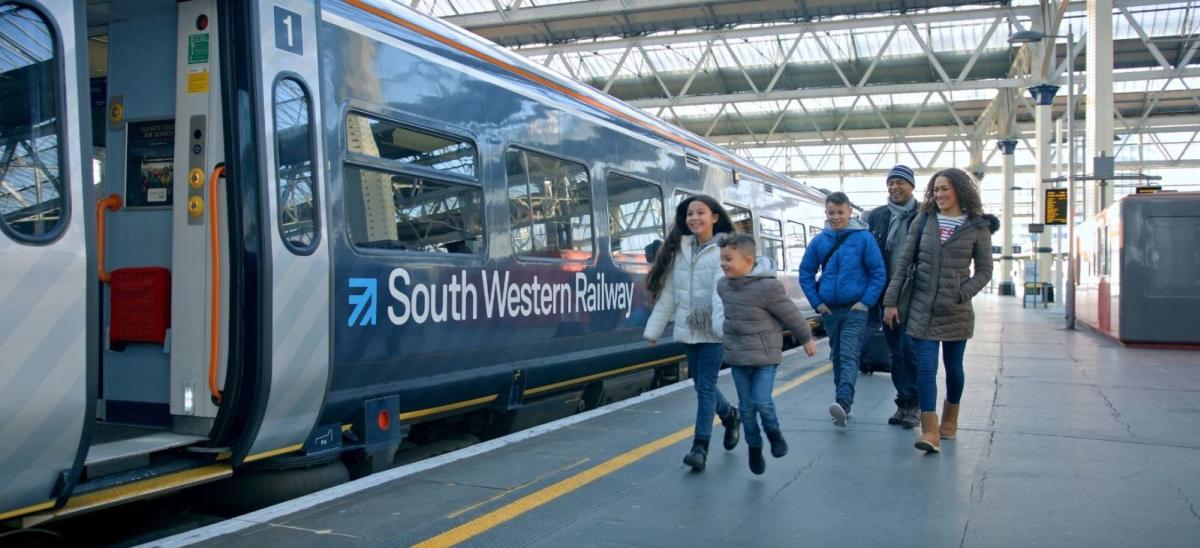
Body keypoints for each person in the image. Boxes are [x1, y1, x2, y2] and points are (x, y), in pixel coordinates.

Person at [882, 168, 998, 453]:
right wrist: (890, 301)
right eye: (935, 190)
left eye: (945, 189)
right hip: (922, 308)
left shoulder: (977, 227)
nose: (940, 194)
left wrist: (962, 292)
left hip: (956, 309)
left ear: (960, 190)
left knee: (954, 369)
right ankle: (930, 431)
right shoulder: (923, 221)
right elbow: (904, 263)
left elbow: (984, 271)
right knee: (925, 368)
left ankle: (950, 421)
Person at [644, 195, 741, 471]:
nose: (694, 218)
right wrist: (653, 331)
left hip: (713, 328)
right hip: (689, 328)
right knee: (700, 383)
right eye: (689, 214)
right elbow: (671, 294)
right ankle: (730, 415)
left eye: (700, 212)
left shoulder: (725, 248)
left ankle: (700, 446)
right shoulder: (682, 249)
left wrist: (723, 327)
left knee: (705, 386)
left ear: (714, 217)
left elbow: (721, 293)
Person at [716, 234, 817, 475]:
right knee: (747, 409)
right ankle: (754, 447)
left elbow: (791, 314)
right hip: (739, 358)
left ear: (748, 261)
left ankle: (774, 433)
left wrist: (805, 338)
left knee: (762, 401)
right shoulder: (723, 286)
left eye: (728, 259)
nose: (723, 264)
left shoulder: (768, 287)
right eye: (722, 259)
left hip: (764, 357)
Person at [799, 192, 886, 428]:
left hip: (855, 309)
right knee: (836, 356)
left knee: (848, 354)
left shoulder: (864, 239)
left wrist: (865, 302)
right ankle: (842, 403)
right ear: (826, 213)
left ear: (850, 212)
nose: (836, 217)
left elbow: (878, 273)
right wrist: (817, 303)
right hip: (830, 311)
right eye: (831, 213)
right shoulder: (819, 241)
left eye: (840, 212)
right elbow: (805, 273)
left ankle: (843, 403)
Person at [865, 165, 922, 429]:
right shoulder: (877, 217)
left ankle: (915, 405)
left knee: (911, 351)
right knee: (896, 353)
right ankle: (904, 404)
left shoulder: (924, 216)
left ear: (911, 186)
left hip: (915, 295)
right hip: (886, 296)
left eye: (900, 182)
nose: (894, 187)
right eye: (890, 183)